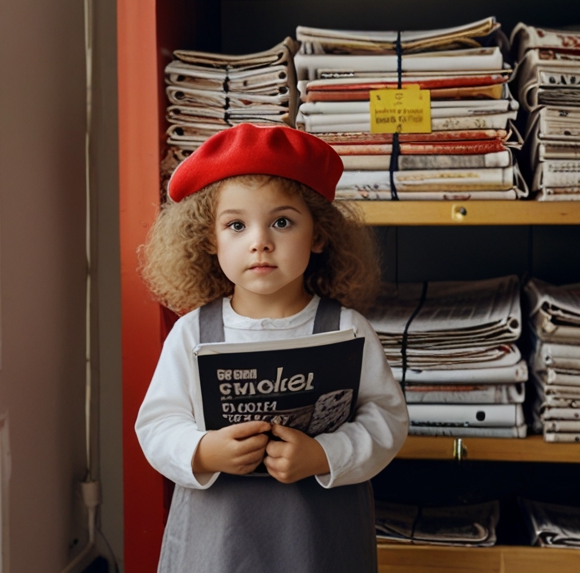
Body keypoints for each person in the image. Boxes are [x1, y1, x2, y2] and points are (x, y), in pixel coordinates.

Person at [135, 124, 409, 573]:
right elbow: (158, 424)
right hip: (217, 539)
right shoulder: (191, 333)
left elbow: (386, 420)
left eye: (282, 222)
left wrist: (326, 454)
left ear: (318, 235)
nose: (259, 241)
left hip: (320, 538)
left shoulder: (346, 329)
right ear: (210, 239)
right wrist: (202, 451)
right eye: (236, 225)